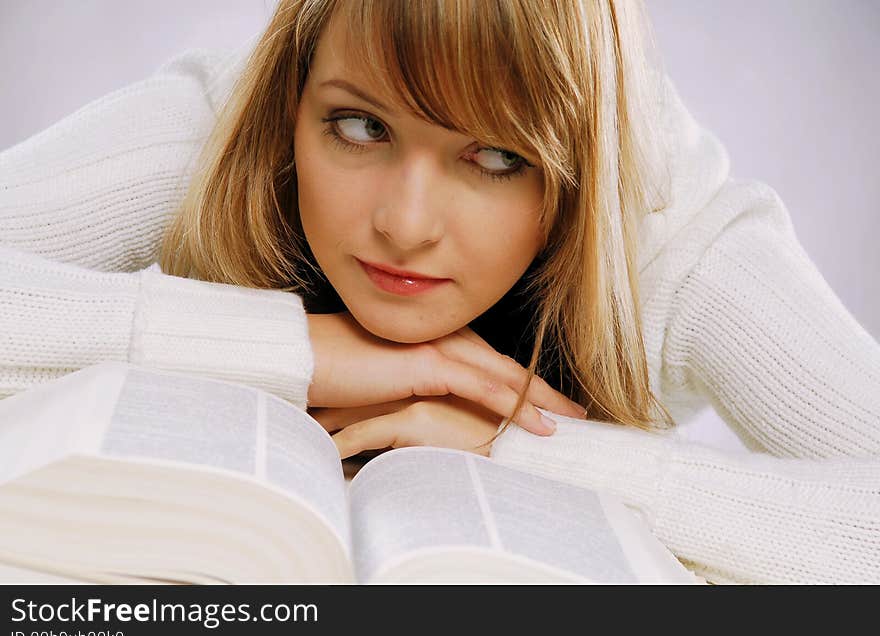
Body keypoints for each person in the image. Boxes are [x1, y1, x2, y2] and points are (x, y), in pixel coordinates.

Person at [0, 0, 877, 584]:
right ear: (296, 95)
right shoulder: (223, 127)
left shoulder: (667, 227)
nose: (406, 224)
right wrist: (291, 351)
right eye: (359, 126)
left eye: (496, 157)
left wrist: (528, 452)